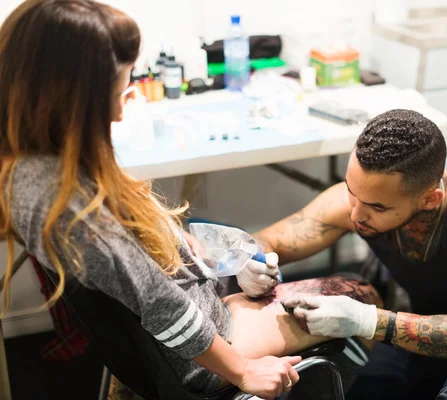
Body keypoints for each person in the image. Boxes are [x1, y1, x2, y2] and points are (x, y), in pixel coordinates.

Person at [0, 1, 382, 398]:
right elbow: (163, 304)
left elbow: (146, 265)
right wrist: (243, 372)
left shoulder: (29, 171)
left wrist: (226, 269)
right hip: (202, 347)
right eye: (114, 94)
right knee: (362, 295)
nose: (116, 113)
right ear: (71, 98)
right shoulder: (76, 213)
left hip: (180, 333)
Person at [252, 109, 447, 399]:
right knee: (359, 390)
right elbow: (269, 239)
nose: (357, 215)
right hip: (427, 341)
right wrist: (249, 261)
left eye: (377, 208)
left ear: (430, 199)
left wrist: (367, 320)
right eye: (351, 190)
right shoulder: (360, 201)